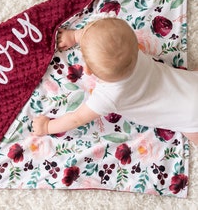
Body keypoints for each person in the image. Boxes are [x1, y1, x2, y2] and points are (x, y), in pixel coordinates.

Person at [32, 16, 198, 144]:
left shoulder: (108, 97)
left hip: (191, 120)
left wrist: (47, 127)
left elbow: (76, 118)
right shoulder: (133, 51)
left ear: (88, 70)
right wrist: (75, 36)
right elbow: (100, 35)